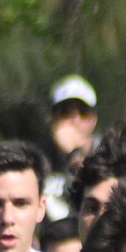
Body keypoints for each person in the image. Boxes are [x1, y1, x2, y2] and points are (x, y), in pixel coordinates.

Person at [41, 74, 99, 224]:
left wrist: (74, 154)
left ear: (93, 120)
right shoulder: (39, 158)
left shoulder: (106, 156)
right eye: (65, 112)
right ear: (53, 118)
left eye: (83, 112)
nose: (75, 119)